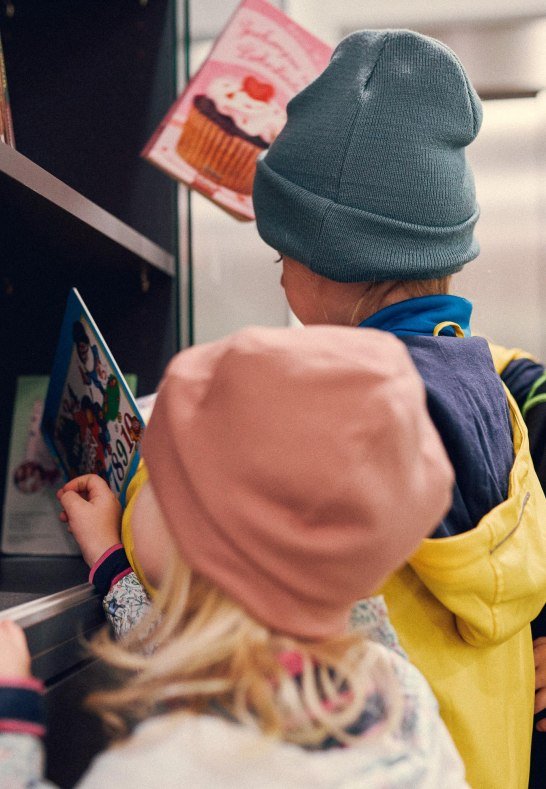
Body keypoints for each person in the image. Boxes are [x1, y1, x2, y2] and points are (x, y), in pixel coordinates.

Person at [251, 28, 546, 789]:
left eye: (282, 258)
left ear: (334, 265)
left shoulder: (332, 426)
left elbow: (219, 624)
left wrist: (117, 542)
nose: (282, 281)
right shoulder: (496, 397)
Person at [0, 325, 468, 787]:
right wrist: (110, 560)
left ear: (202, 541)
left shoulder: (173, 765)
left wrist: (9, 723)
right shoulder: (396, 688)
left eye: (156, 480)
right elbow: (198, 659)